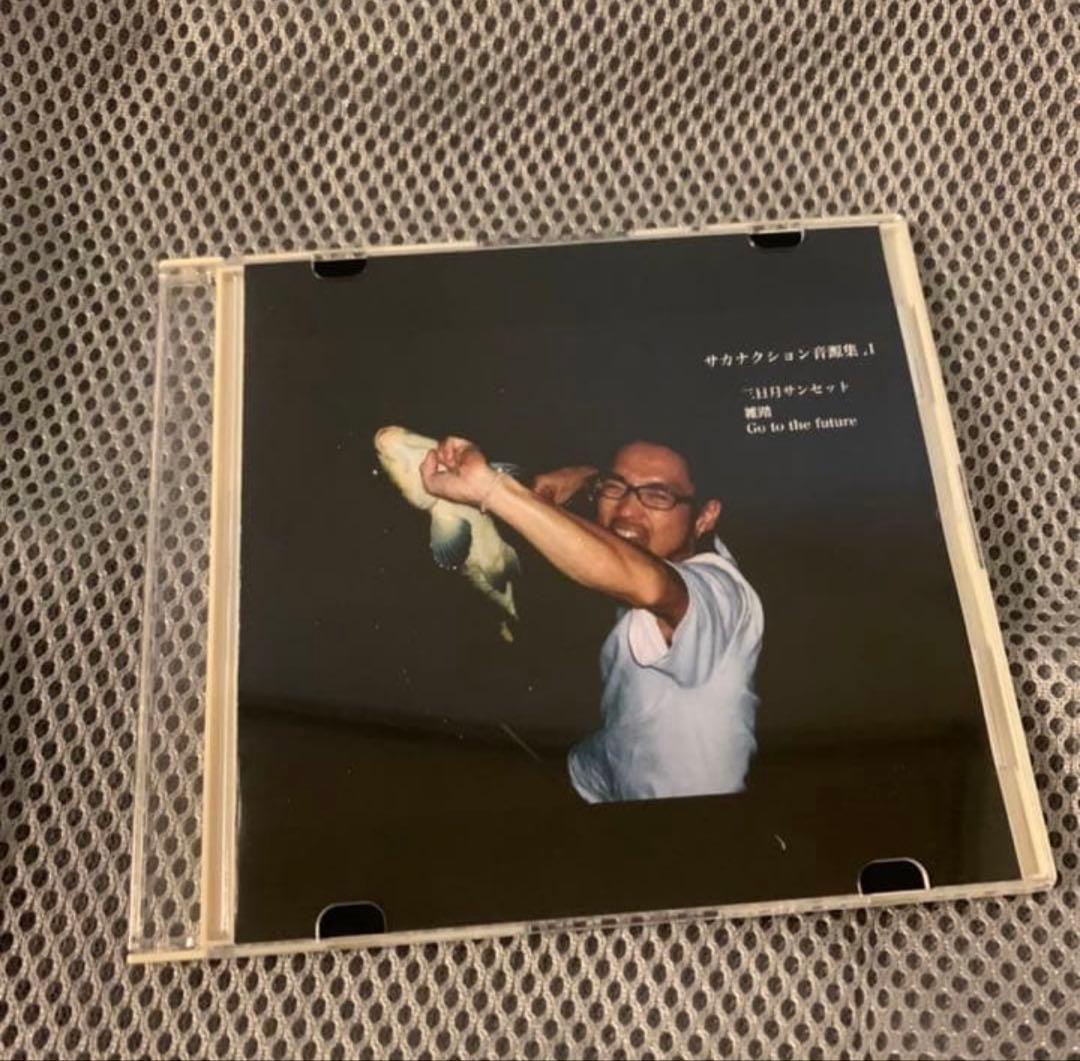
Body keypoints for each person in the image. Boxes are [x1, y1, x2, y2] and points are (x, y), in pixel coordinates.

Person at [419, 435, 764, 803]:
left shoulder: (722, 594)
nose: (626, 511)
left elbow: (649, 584)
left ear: (705, 516)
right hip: (599, 771)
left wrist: (491, 489)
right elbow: (602, 542)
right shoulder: (653, 548)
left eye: (658, 495)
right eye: (615, 487)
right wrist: (584, 477)